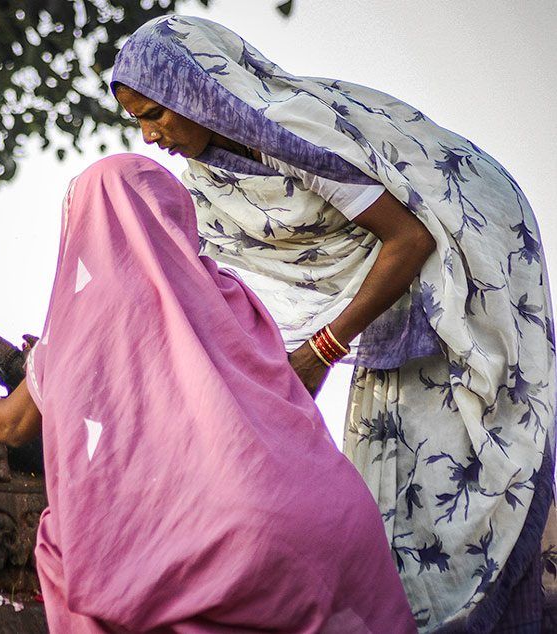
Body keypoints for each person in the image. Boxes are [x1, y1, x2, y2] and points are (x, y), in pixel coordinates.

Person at [111, 15, 555, 632]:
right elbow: (198, 286)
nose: (148, 135)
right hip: (393, 314)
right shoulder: (211, 184)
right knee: (396, 488)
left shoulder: (291, 128)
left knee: (479, 473)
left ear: (193, 92)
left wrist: (320, 350)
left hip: (468, 272)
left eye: (154, 114)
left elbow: (410, 236)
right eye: (136, 120)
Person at [0, 154, 415, 632]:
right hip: (334, 521)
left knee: (64, 546)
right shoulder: (229, 295)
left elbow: (12, 426)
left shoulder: (89, 316)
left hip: (232, 544)